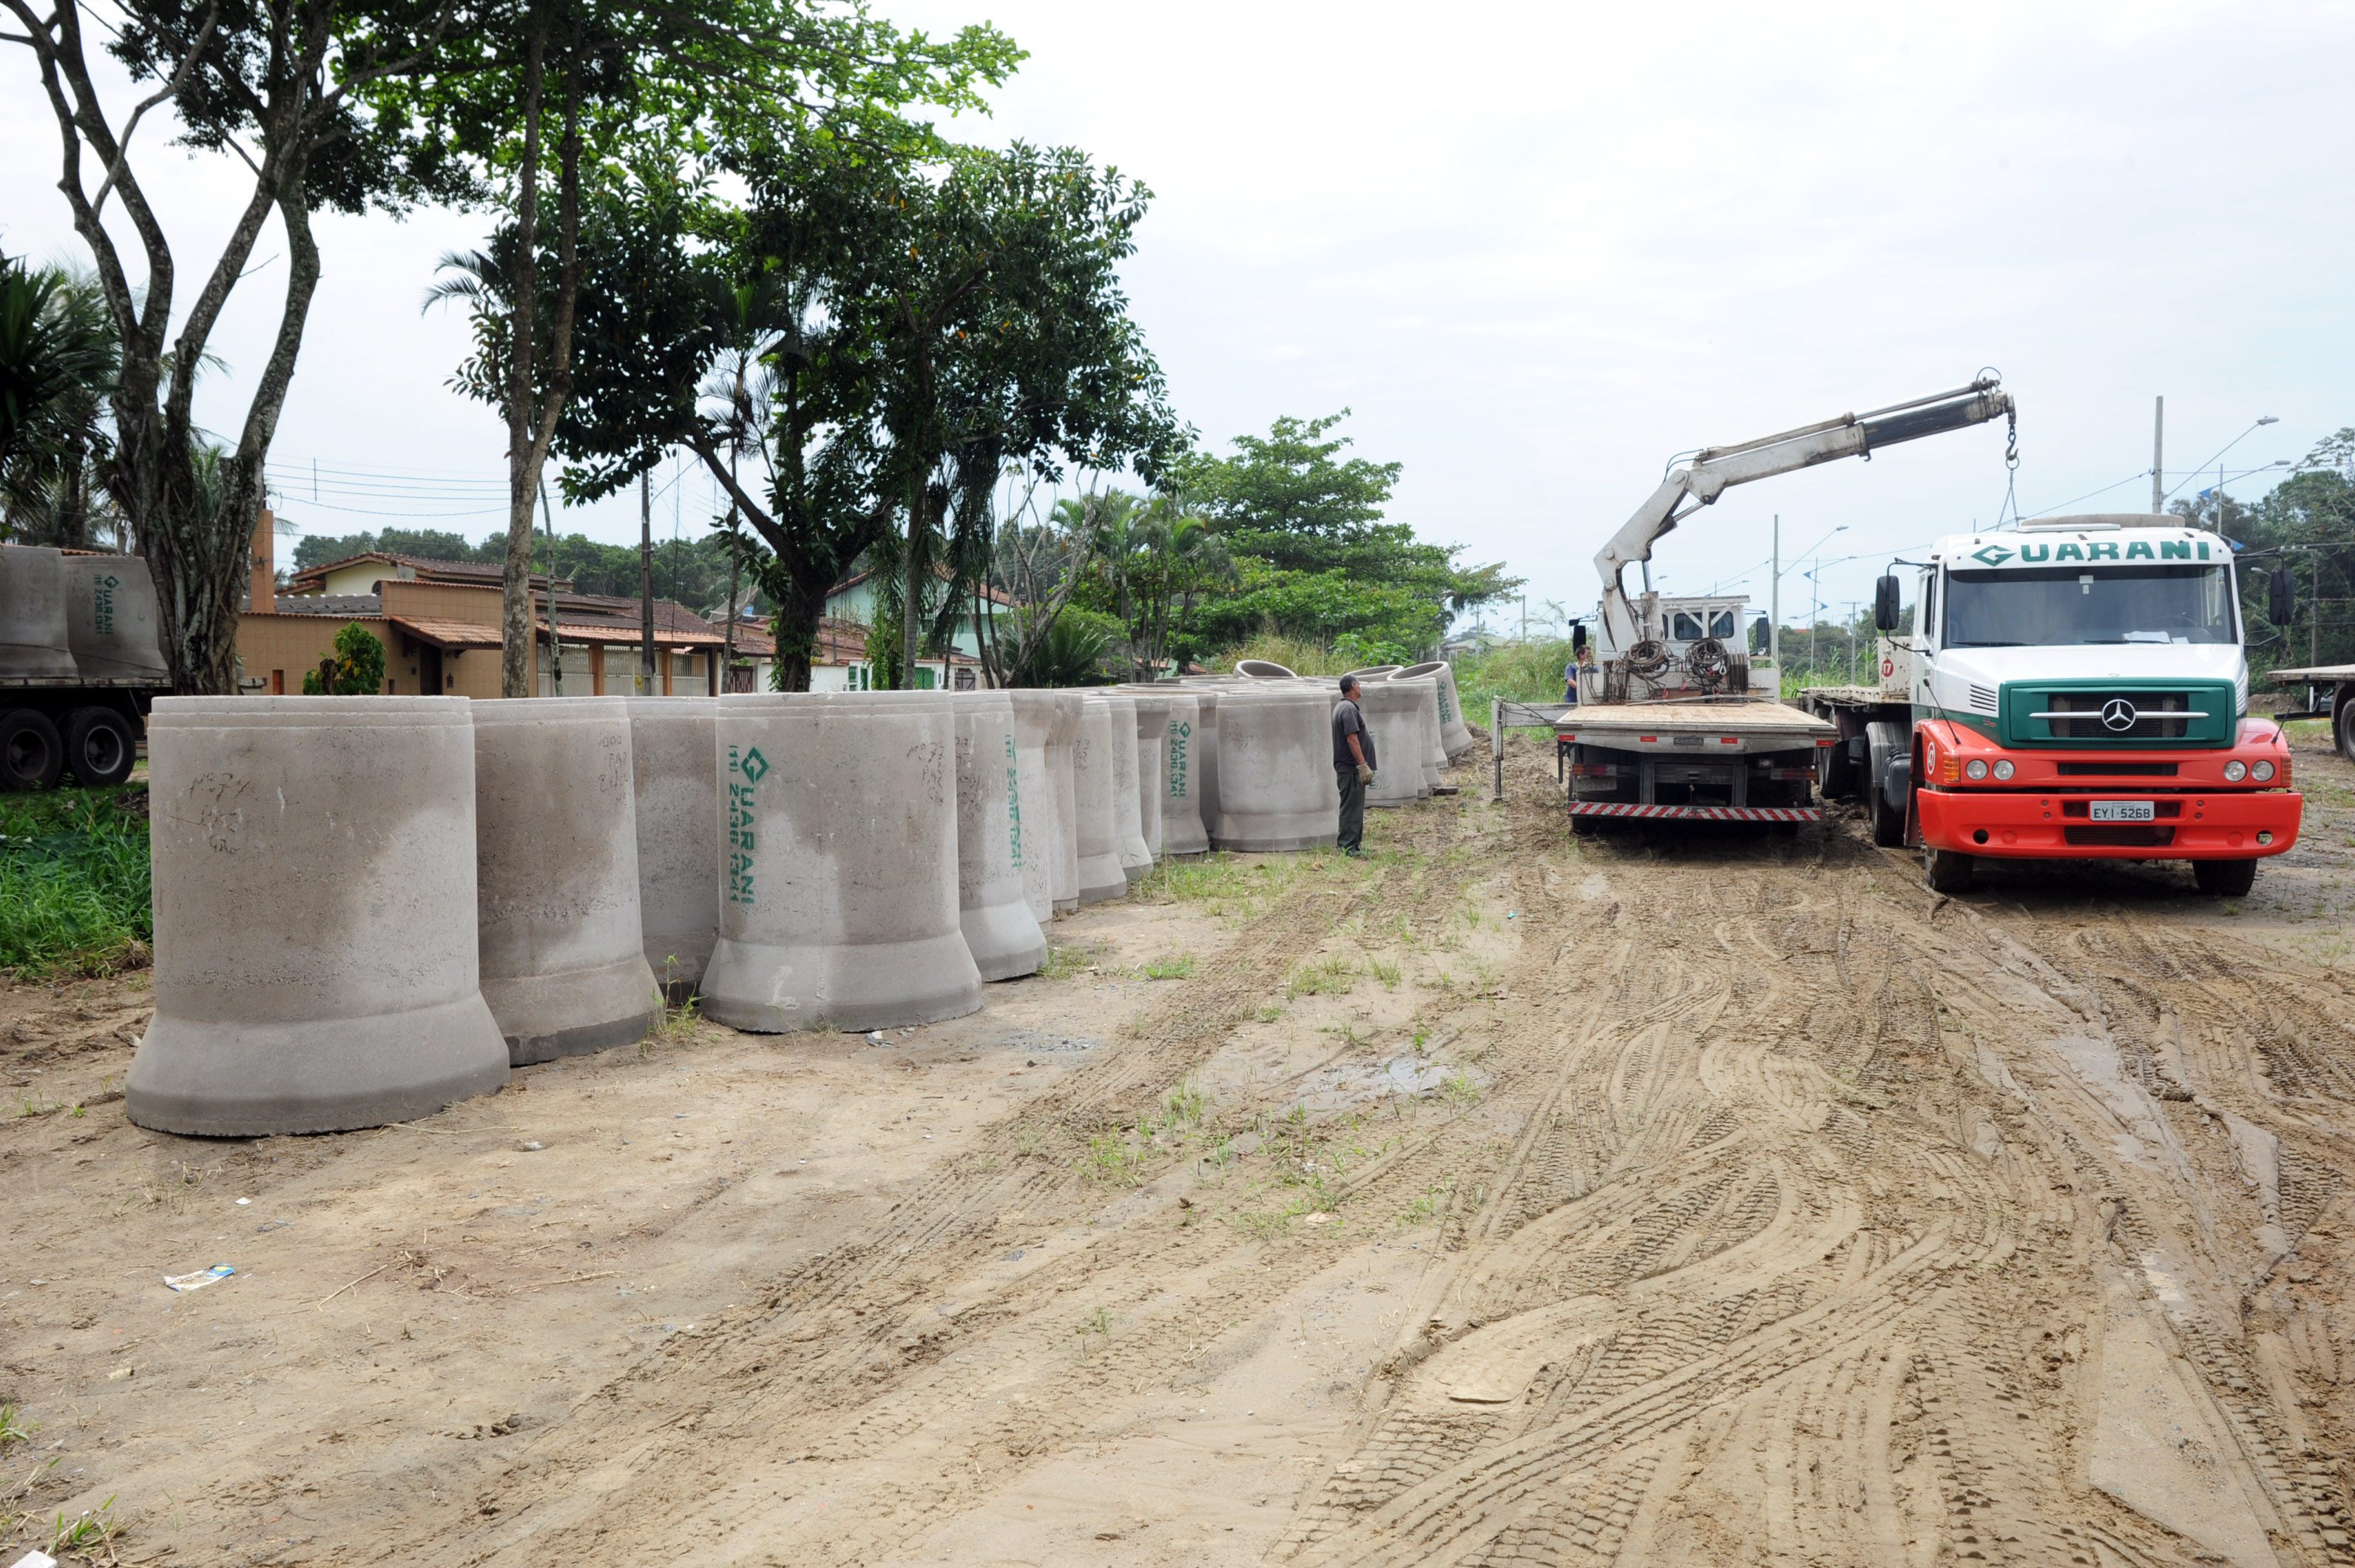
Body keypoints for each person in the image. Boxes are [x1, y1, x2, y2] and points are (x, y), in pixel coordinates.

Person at [1333, 675, 1376, 855]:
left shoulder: (1344, 707)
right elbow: (1352, 738)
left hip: (1350, 769)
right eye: (1358, 684)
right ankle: (1347, 846)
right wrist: (1362, 764)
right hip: (1351, 769)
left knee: (1355, 807)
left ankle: (1354, 844)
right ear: (1352, 686)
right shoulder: (1348, 709)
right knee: (1351, 808)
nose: (1360, 687)